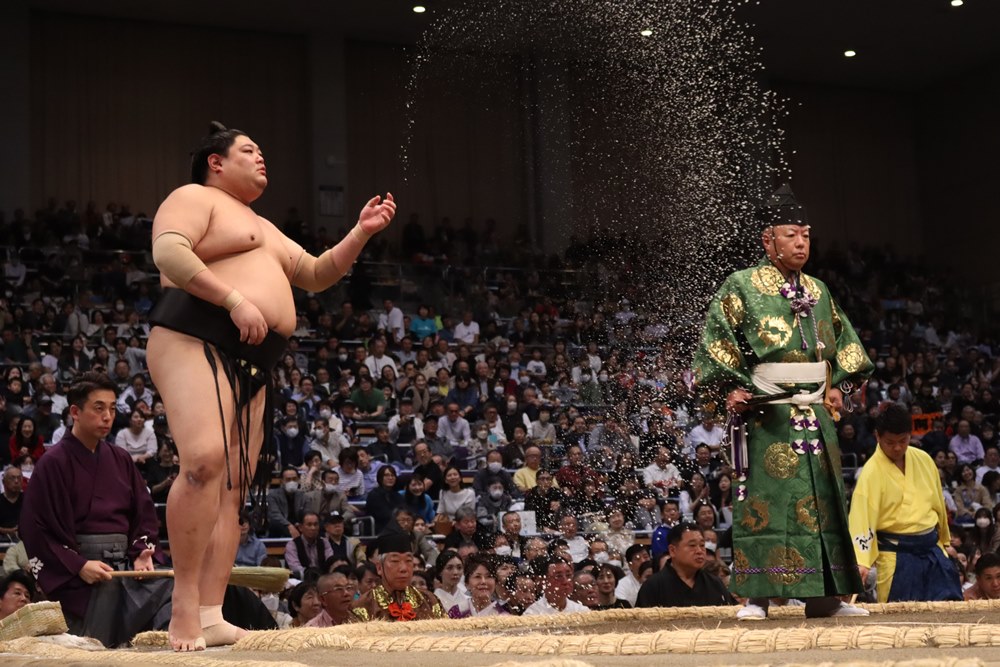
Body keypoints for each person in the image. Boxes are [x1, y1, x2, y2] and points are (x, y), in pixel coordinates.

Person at [146, 122, 396, 649]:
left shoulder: (266, 227)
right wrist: (234, 300)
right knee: (204, 463)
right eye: (249, 150)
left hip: (255, 359)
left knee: (233, 488)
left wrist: (361, 232)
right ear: (216, 162)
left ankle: (212, 611)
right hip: (197, 335)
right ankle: (184, 609)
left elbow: (316, 272)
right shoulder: (194, 197)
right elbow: (169, 253)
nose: (262, 158)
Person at [692, 185, 874, 620]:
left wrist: (838, 385)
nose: (800, 244)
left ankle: (824, 597)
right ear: (767, 240)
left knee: (824, 504)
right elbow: (716, 346)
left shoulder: (818, 289)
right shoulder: (741, 286)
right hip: (768, 414)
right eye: (791, 235)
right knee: (766, 504)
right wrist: (729, 389)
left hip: (815, 414)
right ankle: (757, 598)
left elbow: (847, 347)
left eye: (806, 236)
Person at [19, 372, 170, 647]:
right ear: (75, 411)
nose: (107, 417)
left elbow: (144, 514)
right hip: (80, 575)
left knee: (176, 590)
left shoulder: (121, 459)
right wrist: (78, 566)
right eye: (99, 408)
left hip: (127, 568)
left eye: (112, 409)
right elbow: (35, 529)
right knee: (108, 597)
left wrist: (141, 553)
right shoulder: (52, 463)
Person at [849, 403, 962, 603]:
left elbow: (938, 504)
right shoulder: (870, 473)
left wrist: (945, 541)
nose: (897, 447)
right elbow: (862, 519)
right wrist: (861, 562)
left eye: (903, 440)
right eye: (890, 442)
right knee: (900, 623)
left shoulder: (924, 460)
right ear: (878, 436)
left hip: (932, 551)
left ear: (911, 435)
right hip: (895, 557)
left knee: (950, 614)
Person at [636, 523, 735, 608]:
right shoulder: (652, 587)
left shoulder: (715, 583)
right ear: (673, 550)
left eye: (702, 545)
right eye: (692, 545)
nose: (699, 551)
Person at [351, 531, 444, 621]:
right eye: (395, 561)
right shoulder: (362, 606)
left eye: (408, 561)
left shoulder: (429, 600)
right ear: (379, 568)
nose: (403, 568)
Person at [523, 556, 590, 615]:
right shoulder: (532, 613)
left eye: (568, 575)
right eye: (558, 576)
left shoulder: (581, 611)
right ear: (544, 581)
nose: (566, 581)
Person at [284, 512, 333, 579]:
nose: (313, 528)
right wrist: (313, 575)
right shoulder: (292, 545)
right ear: (301, 527)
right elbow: (295, 568)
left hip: (323, 581)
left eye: (316, 524)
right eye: (309, 525)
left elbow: (330, 563)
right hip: (301, 581)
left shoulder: (324, 542)